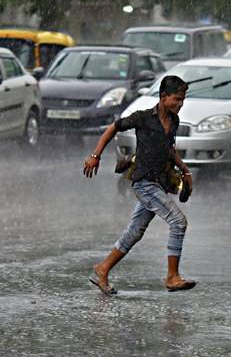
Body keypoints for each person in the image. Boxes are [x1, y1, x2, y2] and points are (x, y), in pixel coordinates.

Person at [83, 75, 195, 295]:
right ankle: (172, 277)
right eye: (177, 99)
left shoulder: (174, 121)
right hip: (144, 183)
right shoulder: (143, 118)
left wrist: (185, 170)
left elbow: (169, 149)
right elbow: (113, 128)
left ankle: (103, 268)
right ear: (163, 97)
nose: (180, 104)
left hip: (159, 184)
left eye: (183, 100)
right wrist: (95, 155)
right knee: (178, 222)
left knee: (135, 231)